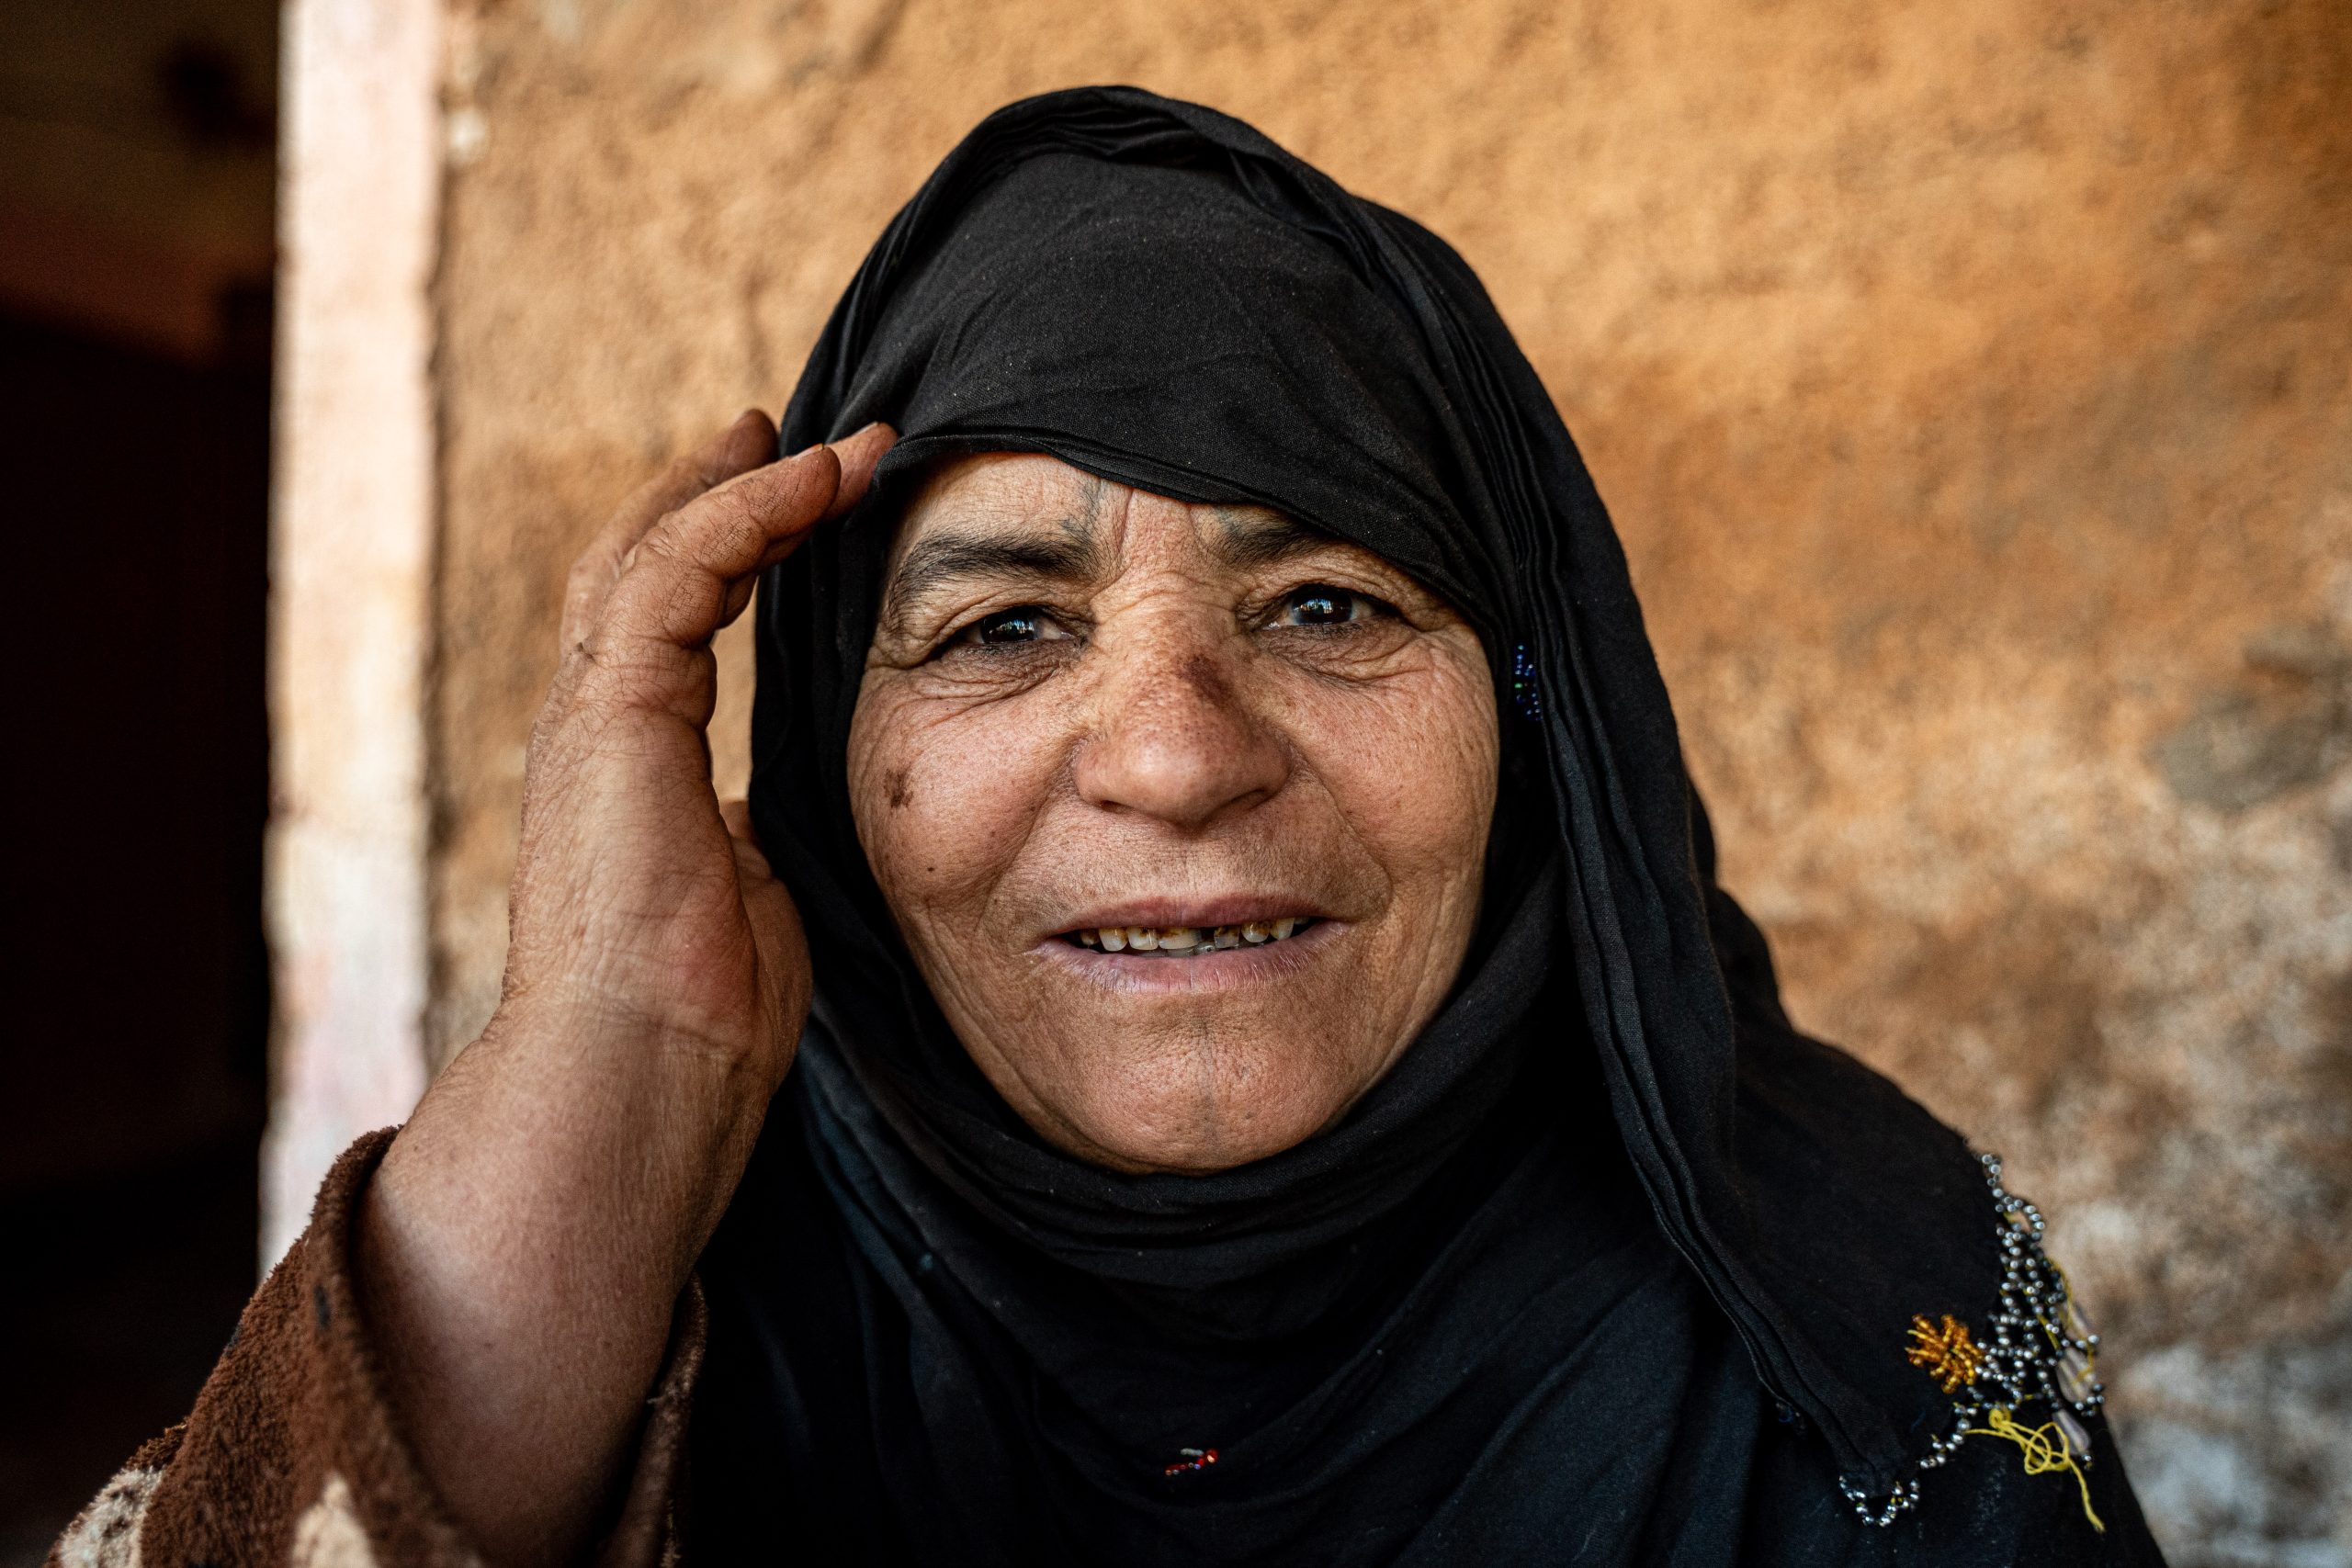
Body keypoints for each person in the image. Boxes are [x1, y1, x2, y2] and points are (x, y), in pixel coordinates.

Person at [52, 88, 2164, 1567]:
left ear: (1541, 719)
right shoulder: (640, 1281)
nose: (1167, 759)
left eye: (1328, 604)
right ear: (819, 744)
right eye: (997, 624)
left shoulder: (1857, 1323)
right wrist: (602, 1038)